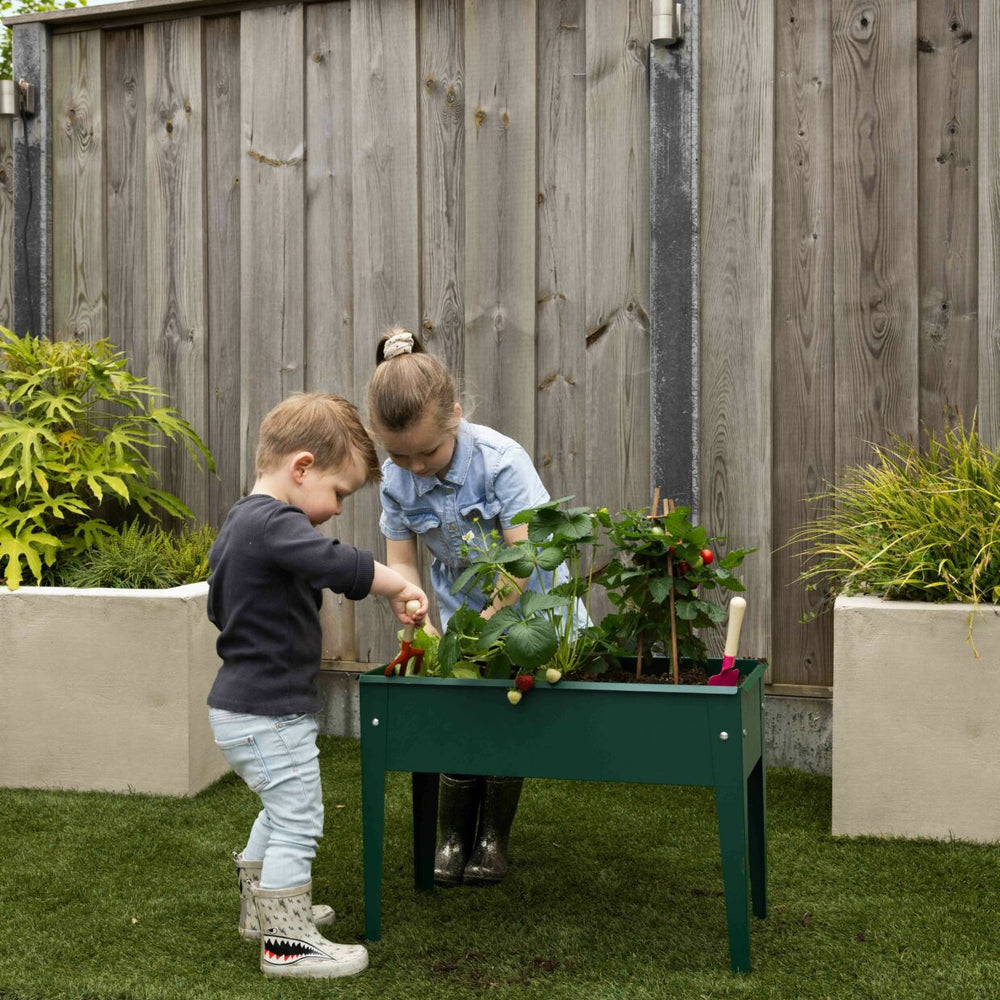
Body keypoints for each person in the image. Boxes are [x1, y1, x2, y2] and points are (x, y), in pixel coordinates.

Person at [206, 392, 428, 979]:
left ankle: (264, 912)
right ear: (301, 467)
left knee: (278, 810)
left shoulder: (240, 522)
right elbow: (332, 561)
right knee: (299, 817)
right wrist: (397, 585)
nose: (336, 509)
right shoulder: (275, 522)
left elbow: (218, 605)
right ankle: (287, 945)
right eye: (339, 493)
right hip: (268, 711)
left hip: (240, 706)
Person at [366, 328, 586, 889]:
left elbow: (523, 560)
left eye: (428, 452)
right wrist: (414, 607)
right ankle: (452, 837)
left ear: (455, 418)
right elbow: (402, 560)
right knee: (460, 708)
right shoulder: (395, 480)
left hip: (526, 605)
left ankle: (492, 838)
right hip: (461, 610)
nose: (415, 466)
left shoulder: (501, 460)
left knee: (509, 709)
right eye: (399, 455)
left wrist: (490, 625)